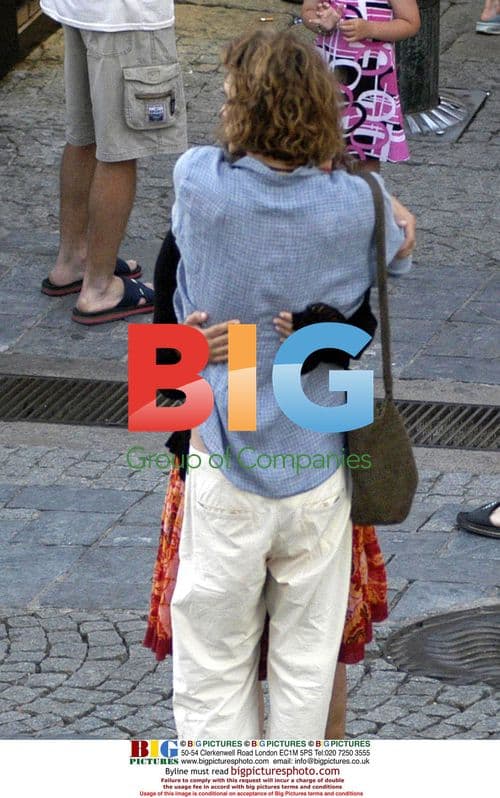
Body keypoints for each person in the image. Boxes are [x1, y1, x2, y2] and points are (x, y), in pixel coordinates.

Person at [167, 28, 413, 738]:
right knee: (309, 658)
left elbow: (176, 264)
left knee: (214, 657)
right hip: (322, 447)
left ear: (242, 105)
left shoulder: (198, 179)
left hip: (226, 440)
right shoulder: (360, 201)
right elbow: (398, 250)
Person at [39, 0, 187, 324]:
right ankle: (100, 287)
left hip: (82, 9)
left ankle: (73, 261)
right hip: (125, 15)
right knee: (119, 148)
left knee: (85, 136)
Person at [301, 0, 420, 171]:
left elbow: (410, 22)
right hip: (329, 73)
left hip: (371, 77)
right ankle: (325, 193)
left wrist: (370, 29)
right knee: (322, 145)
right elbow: (308, 10)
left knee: (366, 150)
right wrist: (322, 22)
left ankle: (366, 192)